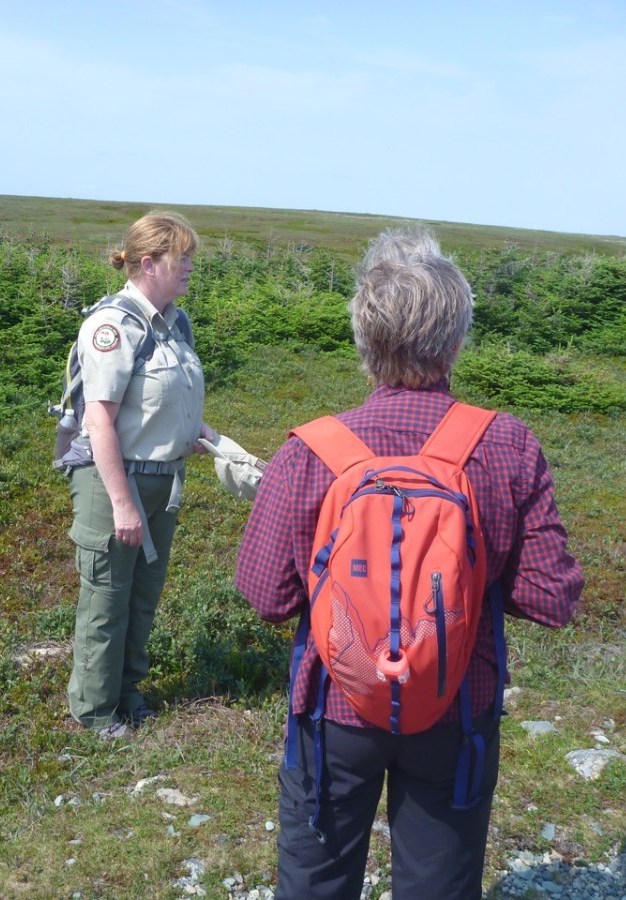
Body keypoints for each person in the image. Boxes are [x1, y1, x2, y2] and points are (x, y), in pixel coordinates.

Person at [234, 227, 583, 898]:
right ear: (456, 341)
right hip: (458, 707)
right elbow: (552, 597)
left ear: (364, 341)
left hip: (334, 707)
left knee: (314, 882)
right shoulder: (506, 445)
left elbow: (266, 595)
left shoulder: (311, 449)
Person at [66, 211, 216, 740]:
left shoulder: (176, 323)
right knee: (107, 600)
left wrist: (202, 436)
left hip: (163, 482)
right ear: (149, 264)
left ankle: (128, 692)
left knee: (142, 596)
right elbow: (99, 420)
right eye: (183, 258)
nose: (191, 267)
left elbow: (167, 400)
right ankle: (94, 710)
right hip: (114, 483)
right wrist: (123, 502)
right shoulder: (112, 327)